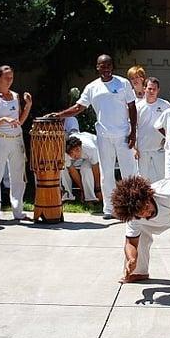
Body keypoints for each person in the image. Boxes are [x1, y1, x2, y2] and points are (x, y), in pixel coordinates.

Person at [51, 54, 138, 220]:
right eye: (102, 66)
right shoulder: (92, 87)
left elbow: (132, 107)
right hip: (103, 137)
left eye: (108, 65)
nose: (105, 69)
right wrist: (60, 115)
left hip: (123, 135)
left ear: (112, 66)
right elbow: (78, 107)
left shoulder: (123, 83)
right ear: (97, 67)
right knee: (106, 173)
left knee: (129, 172)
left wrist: (133, 132)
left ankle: (131, 208)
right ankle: (109, 209)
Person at [0, 65, 32, 224]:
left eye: (11, 77)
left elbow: (19, 122)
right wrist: (2, 120)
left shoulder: (15, 96)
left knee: (18, 177)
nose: (9, 81)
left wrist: (28, 106)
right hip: (0, 140)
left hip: (16, 139)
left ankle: (18, 211)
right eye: (6, 77)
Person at [135, 77, 170, 182]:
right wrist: (134, 148)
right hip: (142, 150)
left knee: (162, 179)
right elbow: (131, 127)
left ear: (158, 90)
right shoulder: (138, 106)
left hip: (160, 149)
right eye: (149, 88)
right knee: (143, 180)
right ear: (144, 88)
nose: (152, 91)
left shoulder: (165, 105)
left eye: (154, 89)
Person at [61, 133, 102, 203]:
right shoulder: (65, 152)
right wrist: (82, 189)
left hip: (98, 152)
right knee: (62, 169)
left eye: (78, 150)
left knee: (86, 169)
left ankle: (91, 198)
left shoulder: (91, 148)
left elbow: (96, 167)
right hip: (80, 159)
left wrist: (98, 190)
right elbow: (72, 171)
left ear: (80, 147)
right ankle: (67, 196)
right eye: (72, 153)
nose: (76, 154)